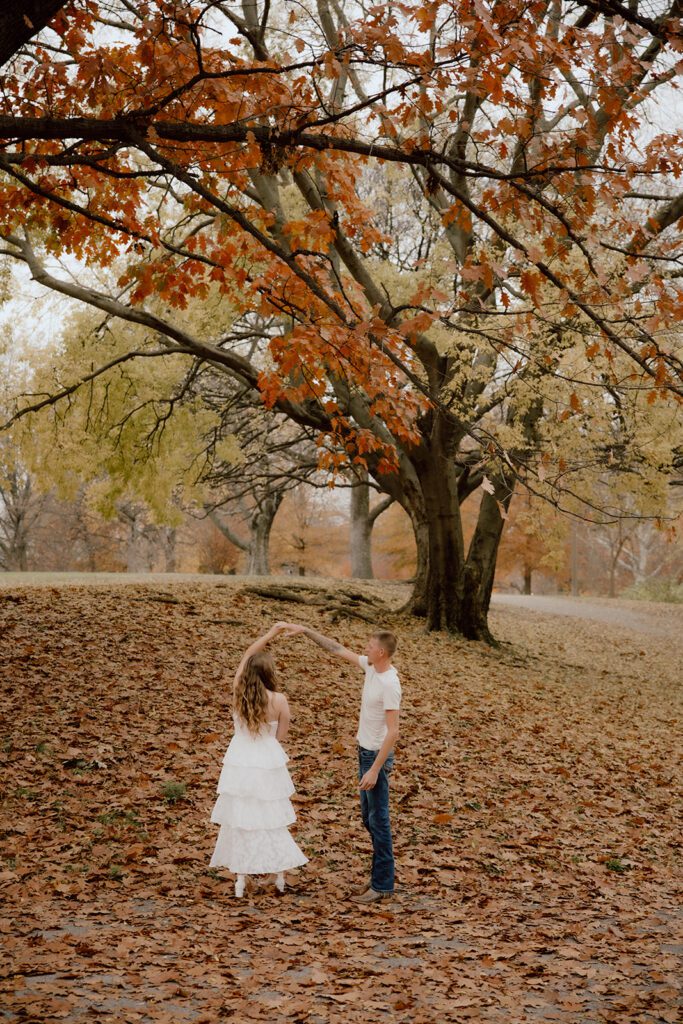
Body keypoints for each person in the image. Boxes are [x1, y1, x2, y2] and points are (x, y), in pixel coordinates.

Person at [284, 623, 401, 903]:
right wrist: (305, 631)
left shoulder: (389, 683)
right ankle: (378, 878)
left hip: (375, 758)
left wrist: (375, 769)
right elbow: (337, 649)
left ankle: (383, 885)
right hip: (365, 753)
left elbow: (394, 731)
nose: (365, 649)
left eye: (370, 646)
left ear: (381, 652)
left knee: (379, 820)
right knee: (369, 818)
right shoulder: (372, 668)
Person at [209, 622, 308, 897]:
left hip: (240, 759)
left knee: (242, 815)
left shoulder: (238, 692)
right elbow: (282, 735)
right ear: (269, 673)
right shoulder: (279, 700)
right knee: (269, 816)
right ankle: (277, 872)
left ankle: (241, 876)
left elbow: (246, 655)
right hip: (267, 759)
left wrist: (270, 633)